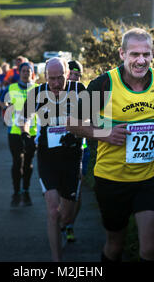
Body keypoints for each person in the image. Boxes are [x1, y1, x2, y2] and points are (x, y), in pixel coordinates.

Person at [66, 28, 154, 262]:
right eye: (134, 54)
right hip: (112, 179)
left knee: (149, 249)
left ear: (152, 54)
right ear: (122, 54)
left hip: (150, 176)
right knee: (115, 245)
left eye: (146, 54)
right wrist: (105, 134)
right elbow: (72, 124)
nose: (141, 60)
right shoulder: (104, 84)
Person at [21, 57, 86, 262]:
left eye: (60, 78)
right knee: (52, 210)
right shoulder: (38, 93)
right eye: (52, 79)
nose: (56, 84)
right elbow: (24, 118)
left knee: (66, 215)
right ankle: (57, 261)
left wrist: (76, 132)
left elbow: (90, 119)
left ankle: (60, 230)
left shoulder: (79, 89)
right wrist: (26, 134)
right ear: (45, 76)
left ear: (67, 74)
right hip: (48, 157)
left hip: (72, 157)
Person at [0, 62, 38, 207]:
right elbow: (1, 101)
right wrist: (8, 108)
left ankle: (26, 190)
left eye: (29, 71)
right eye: (23, 71)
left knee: (28, 163)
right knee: (17, 162)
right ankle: (16, 192)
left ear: (32, 73)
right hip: (15, 132)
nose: (26, 73)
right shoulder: (12, 87)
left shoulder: (37, 89)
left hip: (32, 132)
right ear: (19, 72)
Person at [63, 59, 86, 243]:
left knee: (77, 191)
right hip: (58, 147)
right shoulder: (55, 90)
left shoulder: (83, 90)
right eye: (72, 74)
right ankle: (61, 222)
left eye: (78, 75)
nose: (75, 78)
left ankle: (70, 224)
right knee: (62, 189)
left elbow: (91, 117)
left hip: (80, 146)